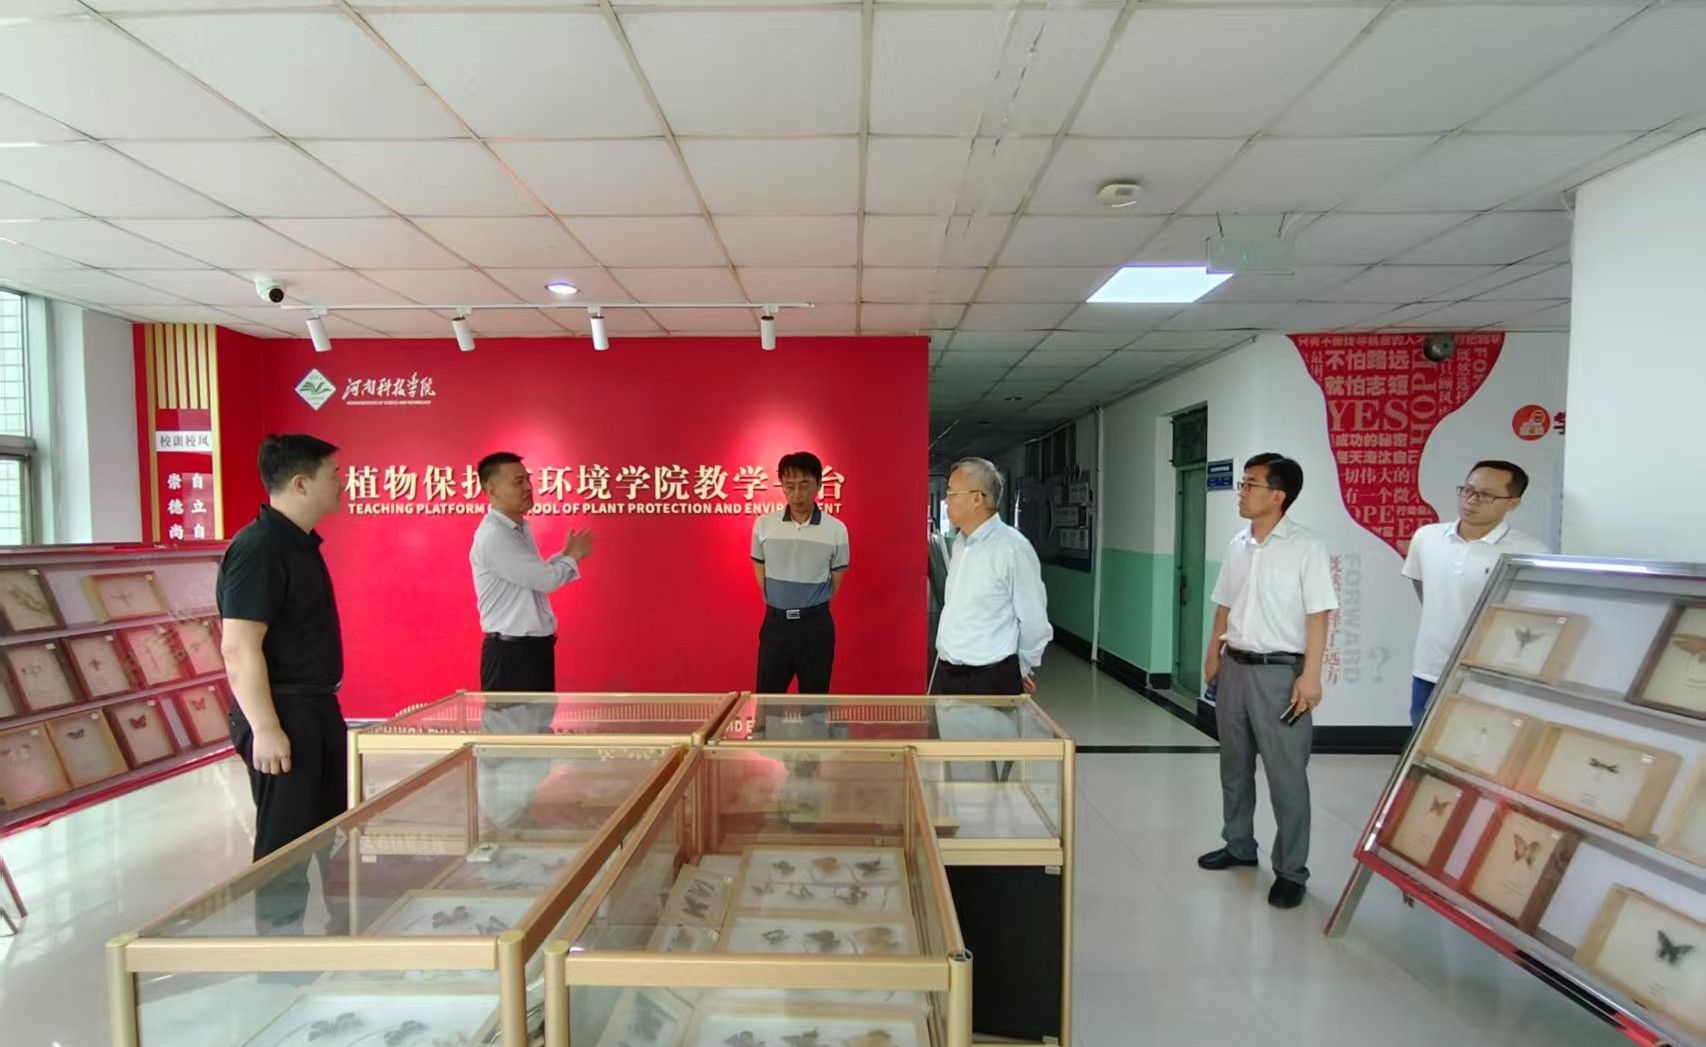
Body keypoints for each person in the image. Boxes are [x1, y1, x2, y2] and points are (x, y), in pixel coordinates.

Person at [1197, 453, 1339, 910]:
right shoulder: (1238, 543)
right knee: (1234, 766)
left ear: (1278, 496)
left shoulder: (1306, 546)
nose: (1241, 492)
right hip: (1234, 667)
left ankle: (1291, 871)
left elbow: (1319, 616)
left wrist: (1311, 677)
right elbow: (1224, 605)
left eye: (1250, 484)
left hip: (1281, 673)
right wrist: (1212, 654)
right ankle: (1239, 844)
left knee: (1286, 777)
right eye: (1241, 484)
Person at [218, 433, 347, 933]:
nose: (342, 483)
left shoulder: (299, 543)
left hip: (315, 708)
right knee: (285, 844)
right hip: (283, 713)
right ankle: (279, 951)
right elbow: (239, 647)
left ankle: (341, 933)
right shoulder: (260, 548)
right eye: (334, 475)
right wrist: (267, 729)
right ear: (300, 483)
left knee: (331, 830)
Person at [1403, 461, 1549, 726]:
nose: (1471, 500)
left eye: (1486, 495)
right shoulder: (1427, 537)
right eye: (1467, 490)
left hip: (1492, 673)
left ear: (1513, 503)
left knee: (1481, 741)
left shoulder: (1530, 552)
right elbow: (1424, 589)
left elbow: (1533, 616)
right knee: (1422, 740)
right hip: (1431, 667)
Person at [470, 452, 592, 733]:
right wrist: (573, 556)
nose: (528, 487)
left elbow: (533, 575)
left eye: (527, 479)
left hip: (529, 651)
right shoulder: (495, 536)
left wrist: (566, 555)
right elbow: (545, 580)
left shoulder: (517, 528)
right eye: (518, 482)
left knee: (534, 735)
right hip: (512, 656)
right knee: (511, 742)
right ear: (492, 490)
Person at [933, 457, 1051, 695]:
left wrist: (1019, 670)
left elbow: (1035, 623)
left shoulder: (1012, 548)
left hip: (990, 677)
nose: (946, 501)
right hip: (949, 671)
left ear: (977, 498)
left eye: (952, 493)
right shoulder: (960, 543)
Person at [751, 451, 849, 694]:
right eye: (789, 486)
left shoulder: (836, 530)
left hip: (815, 626)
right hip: (776, 625)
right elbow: (760, 572)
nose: (796, 494)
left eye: (804, 485)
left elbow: (835, 580)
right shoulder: (764, 525)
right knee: (768, 699)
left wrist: (809, 601)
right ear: (782, 486)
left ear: (818, 485)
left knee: (814, 701)